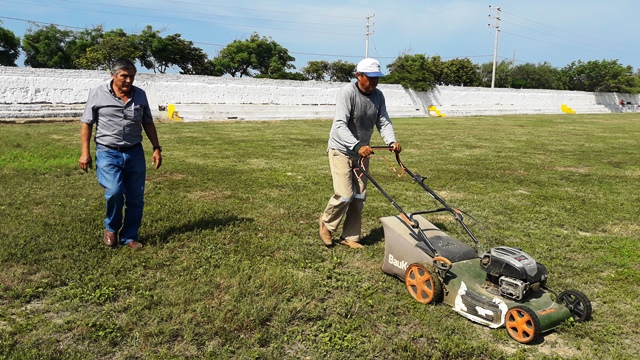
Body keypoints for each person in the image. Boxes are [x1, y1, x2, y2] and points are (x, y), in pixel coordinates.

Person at [78, 59, 163, 249]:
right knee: (115, 191)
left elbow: (147, 122)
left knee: (135, 197)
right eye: (124, 76)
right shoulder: (97, 93)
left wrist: (156, 148)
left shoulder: (140, 95)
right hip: (108, 152)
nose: (128, 80)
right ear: (113, 75)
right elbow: (87, 123)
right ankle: (111, 228)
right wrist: (85, 153)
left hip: (134, 152)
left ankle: (130, 236)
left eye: (131, 76)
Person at [319, 58, 402, 249]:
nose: (374, 82)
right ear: (359, 75)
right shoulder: (347, 93)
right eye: (370, 78)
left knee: (359, 196)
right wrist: (356, 146)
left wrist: (391, 141)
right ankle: (326, 223)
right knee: (345, 194)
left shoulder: (378, 96)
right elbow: (339, 124)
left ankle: (350, 237)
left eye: (377, 78)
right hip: (341, 149)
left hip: (363, 153)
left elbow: (383, 122)